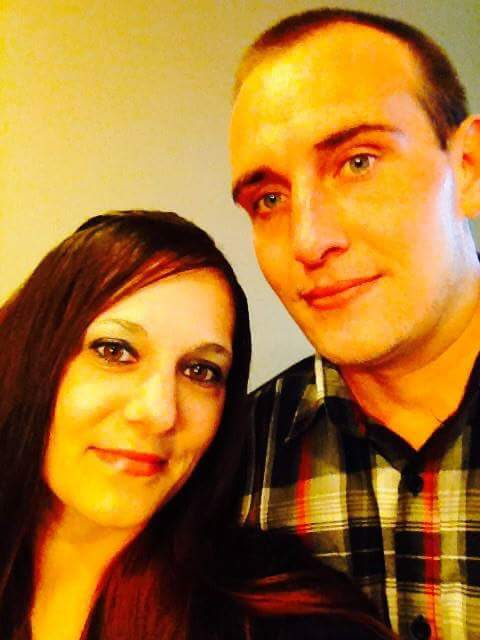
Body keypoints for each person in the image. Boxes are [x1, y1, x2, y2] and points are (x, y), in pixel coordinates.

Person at [0, 210, 394, 639]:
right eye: (114, 351)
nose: (159, 413)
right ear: (33, 355)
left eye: (200, 371)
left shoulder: (285, 617)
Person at [229, 8, 480, 640]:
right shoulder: (231, 466)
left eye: (358, 162)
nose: (308, 241)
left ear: (469, 166)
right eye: (269, 199)